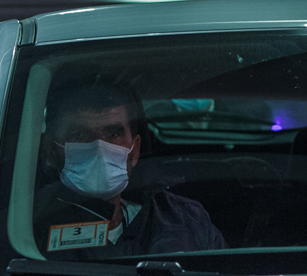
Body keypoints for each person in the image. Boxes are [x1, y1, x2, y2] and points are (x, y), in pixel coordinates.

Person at [34, 78, 226, 259]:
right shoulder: (27, 231)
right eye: (79, 135)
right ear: (50, 151)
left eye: (114, 133)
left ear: (134, 151)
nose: (100, 148)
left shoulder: (184, 219)